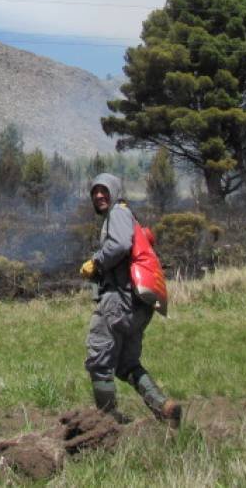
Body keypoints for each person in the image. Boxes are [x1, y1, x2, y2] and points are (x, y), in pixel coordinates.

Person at [80, 172, 181, 426]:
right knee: (126, 364)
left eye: (104, 190)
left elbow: (120, 245)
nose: (99, 195)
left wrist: (96, 262)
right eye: (95, 192)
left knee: (99, 358)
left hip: (118, 300)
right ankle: (163, 407)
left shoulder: (118, 213)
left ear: (115, 192)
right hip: (137, 305)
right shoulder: (128, 215)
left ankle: (106, 424)